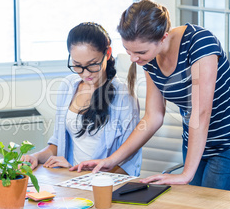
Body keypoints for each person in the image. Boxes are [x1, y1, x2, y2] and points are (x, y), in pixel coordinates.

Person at [71, 0, 230, 191]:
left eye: (140, 52)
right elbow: (153, 116)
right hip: (194, 141)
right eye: (128, 50)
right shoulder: (150, 59)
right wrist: (112, 160)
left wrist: (186, 174)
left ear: (163, 37)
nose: (134, 59)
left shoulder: (200, 44)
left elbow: (200, 113)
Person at [21, 22, 142, 176]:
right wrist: (36, 156)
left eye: (92, 64)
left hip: (102, 185)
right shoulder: (68, 86)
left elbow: (128, 164)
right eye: (77, 65)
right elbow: (58, 144)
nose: (85, 73)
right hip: (69, 179)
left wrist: (78, 170)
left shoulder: (124, 97)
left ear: (108, 53)